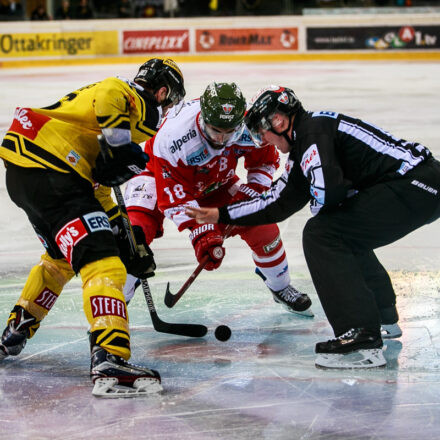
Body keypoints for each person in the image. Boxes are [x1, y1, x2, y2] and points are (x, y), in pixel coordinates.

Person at [186, 85, 440, 369]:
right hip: (420, 185)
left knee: (323, 234)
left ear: (279, 121)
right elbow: (277, 203)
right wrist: (221, 214)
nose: (263, 140)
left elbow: (328, 192)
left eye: (261, 131)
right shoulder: (305, 144)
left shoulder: (314, 133)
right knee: (338, 230)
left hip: (415, 185)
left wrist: (325, 211)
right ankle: (383, 318)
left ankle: (361, 337)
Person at [0, 58, 186, 395]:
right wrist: (118, 143)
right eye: (169, 99)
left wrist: (126, 236)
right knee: (103, 262)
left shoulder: (93, 126)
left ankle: (15, 331)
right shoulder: (127, 93)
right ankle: (109, 356)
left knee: (60, 258)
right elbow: (110, 91)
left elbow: (98, 191)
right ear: (162, 91)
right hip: (52, 167)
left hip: (33, 174)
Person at [123, 82, 312, 316]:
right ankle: (117, 302)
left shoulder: (250, 126)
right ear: (202, 119)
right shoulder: (174, 137)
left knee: (262, 225)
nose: (222, 139)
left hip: (214, 182)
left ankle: (280, 287)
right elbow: (172, 196)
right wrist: (201, 233)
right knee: (134, 237)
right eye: (215, 131)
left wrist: (252, 190)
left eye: (229, 132)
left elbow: (264, 160)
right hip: (158, 175)